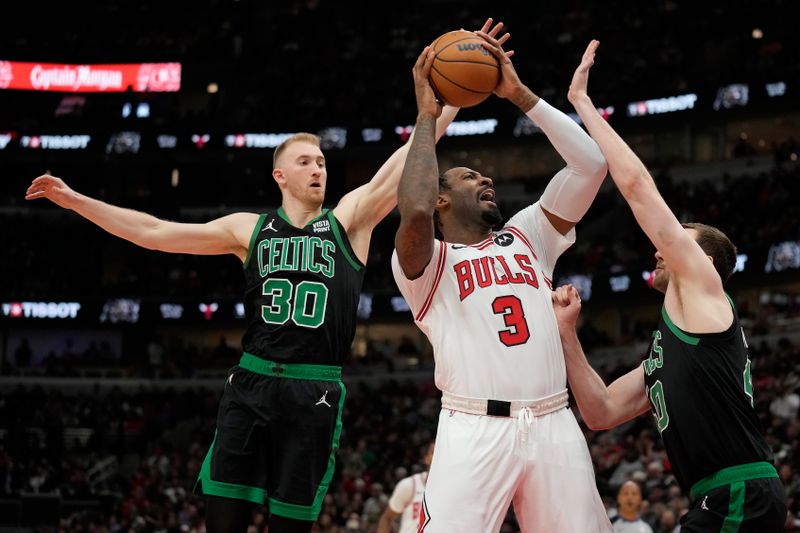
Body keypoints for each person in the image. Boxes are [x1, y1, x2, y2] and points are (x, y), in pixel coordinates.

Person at [23, 47, 469, 530]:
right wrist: (74, 200)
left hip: (314, 387)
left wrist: (448, 104)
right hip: (252, 384)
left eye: (321, 161)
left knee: (290, 525)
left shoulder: (349, 221)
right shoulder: (248, 229)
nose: (318, 168)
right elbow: (152, 231)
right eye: (305, 161)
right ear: (280, 175)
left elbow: (404, 162)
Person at [552, 40, 788, 531]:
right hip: (719, 496)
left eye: (679, 240)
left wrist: (582, 104)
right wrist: (567, 334)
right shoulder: (670, 350)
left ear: (701, 260)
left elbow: (637, 188)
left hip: (738, 491)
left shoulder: (705, 289)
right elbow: (600, 411)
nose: (660, 248)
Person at [391, 25, 611, 532]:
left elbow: (592, 164)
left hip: (555, 422)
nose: (485, 178)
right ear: (443, 199)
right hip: (473, 428)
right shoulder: (426, 263)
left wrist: (519, 94)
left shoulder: (527, 235)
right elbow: (416, 206)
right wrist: (427, 114)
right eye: (469, 175)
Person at [377, 442, 434, 533]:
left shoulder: (453, 490)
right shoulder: (409, 485)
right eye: (433, 452)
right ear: (426, 458)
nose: (438, 455)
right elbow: (387, 518)